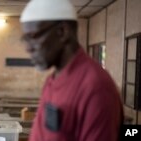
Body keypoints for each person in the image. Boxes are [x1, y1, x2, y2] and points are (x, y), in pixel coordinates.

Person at [20, 0, 123, 141]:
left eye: (33, 37)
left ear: (62, 32)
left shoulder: (95, 87)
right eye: (25, 39)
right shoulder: (52, 79)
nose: (28, 48)